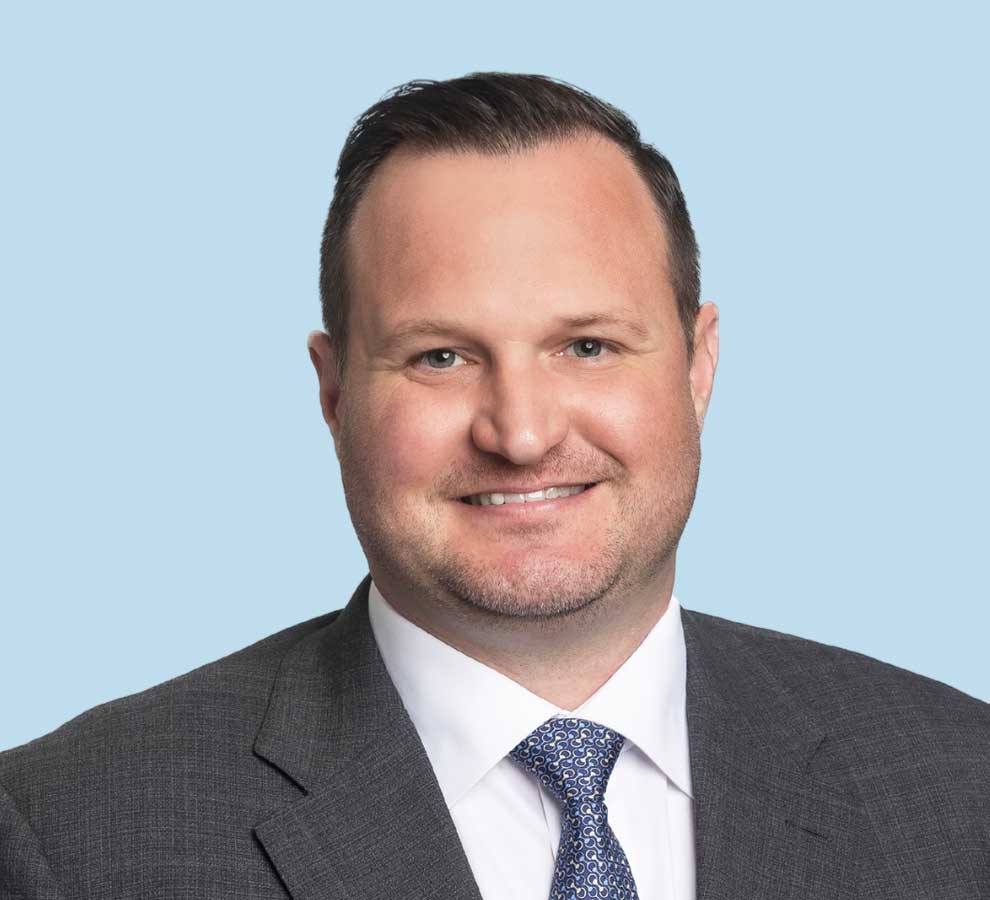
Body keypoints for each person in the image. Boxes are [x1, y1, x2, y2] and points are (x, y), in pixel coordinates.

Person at [1, 72, 986, 900]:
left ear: (698, 366)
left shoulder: (958, 788)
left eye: (588, 345)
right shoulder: (72, 837)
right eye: (438, 357)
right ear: (335, 391)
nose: (520, 433)